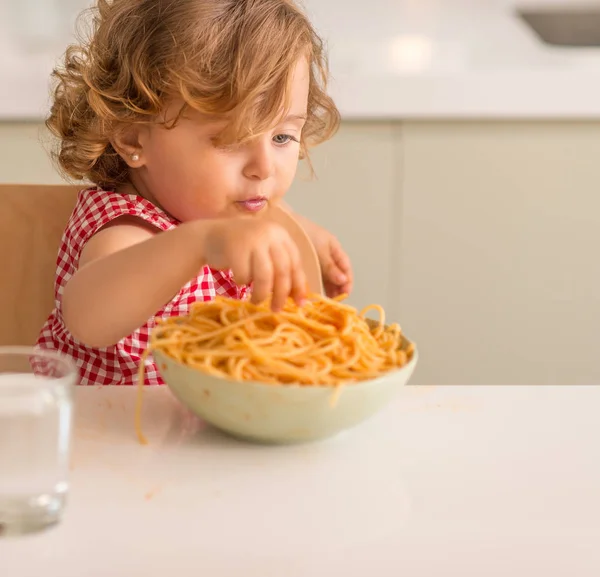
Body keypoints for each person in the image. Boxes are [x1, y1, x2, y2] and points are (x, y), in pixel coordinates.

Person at [37, 0, 353, 386]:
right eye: (230, 140)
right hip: (112, 437)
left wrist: (301, 234)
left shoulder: (224, 205)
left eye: (282, 136)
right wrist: (199, 243)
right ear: (134, 136)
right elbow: (87, 316)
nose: (264, 167)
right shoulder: (126, 229)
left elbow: (264, 214)